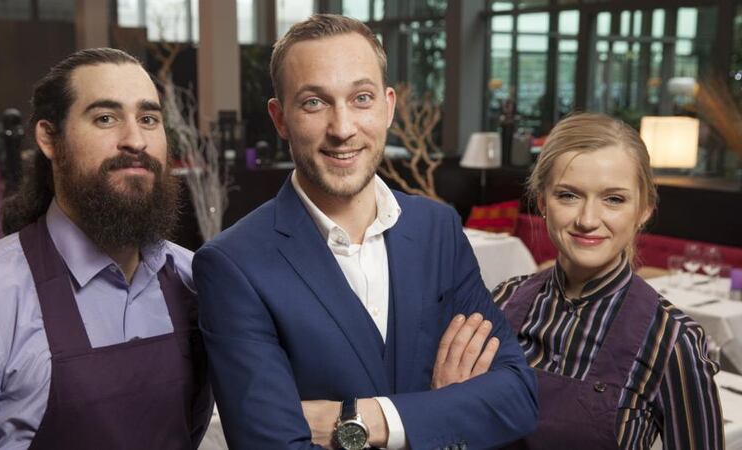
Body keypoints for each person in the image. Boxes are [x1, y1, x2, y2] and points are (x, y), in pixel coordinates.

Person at [193, 14, 537, 450]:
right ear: (280, 119)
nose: (342, 129)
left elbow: (516, 397)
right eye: (314, 103)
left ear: (388, 106)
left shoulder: (438, 229)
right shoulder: (231, 265)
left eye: (361, 98)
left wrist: (356, 420)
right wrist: (440, 410)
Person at [0, 48, 212, 449]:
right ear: (49, 138)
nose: (135, 140)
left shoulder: (196, 281)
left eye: (148, 119)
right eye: (105, 118)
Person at [493, 112, 723, 449]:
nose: (587, 219)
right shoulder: (503, 299)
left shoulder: (672, 339)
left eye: (613, 199)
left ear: (644, 208)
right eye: (568, 195)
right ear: (542, 201)